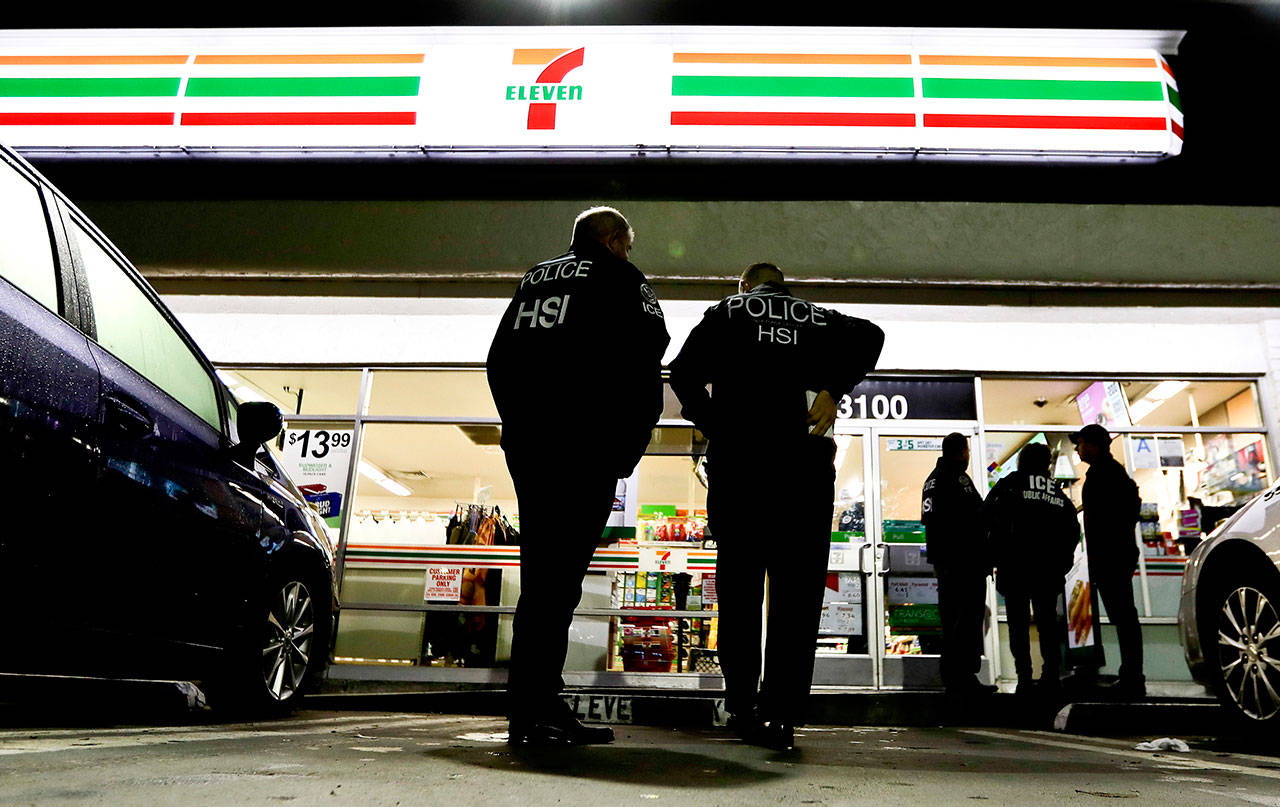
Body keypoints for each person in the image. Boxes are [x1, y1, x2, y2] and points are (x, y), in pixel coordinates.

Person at [669, 262, 884, 751]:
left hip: (741, 471)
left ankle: (743, 707)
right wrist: (835, 389)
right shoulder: (815, 316)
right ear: (785, 287)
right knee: (796, 597)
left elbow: (681, 373)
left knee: (740, 592)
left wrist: (712, 420)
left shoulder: (726, 312)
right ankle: (782, 715)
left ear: (745, 286)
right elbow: (872, 335)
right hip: (802, 473)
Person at [487, 207, 669, 745]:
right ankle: (536, 711)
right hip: (586, 449)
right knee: (557, 584)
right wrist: (625, 451)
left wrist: (520, 426)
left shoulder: (537, 279)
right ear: (613, 241)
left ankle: (534, 705)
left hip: (533, 448)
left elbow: (499, 360)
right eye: (628, 245)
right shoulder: (622, 279)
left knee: (543, 579)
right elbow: (645, 362)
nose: (630, 255)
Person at [984, 442, 1079, 697]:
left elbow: (987, 517)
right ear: (1046, 464)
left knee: (1018, 624)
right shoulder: (1056, 493)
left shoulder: (1009, 485)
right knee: (1048, 623)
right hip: (1047, 571)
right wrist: (1063, 560)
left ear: (1021, 462)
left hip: (1014, 568)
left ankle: (1024, 676)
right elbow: (1072, 529)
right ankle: (1051, 675)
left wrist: (994, 555)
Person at [1069, 423, 1145, 699]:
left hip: (1112, 556)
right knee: (1123, 615)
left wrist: (1108, 545)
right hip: (1111, 555)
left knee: (1124, 616)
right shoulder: (1108, 473)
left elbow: (1119, 515)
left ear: (1093, 445)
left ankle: (1133, 676)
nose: (1077, 449)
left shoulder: (1107, 474)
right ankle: (1131, 674)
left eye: (1080, 443)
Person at [921, 432, 996, 697]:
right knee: (965, 619)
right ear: (962, 451)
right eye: (967, 451)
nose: (968, 456)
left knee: (952, 618)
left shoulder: (932, 479)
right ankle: (963, 678)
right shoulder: (956, 478)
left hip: (946, 562)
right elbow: (974, 518)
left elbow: (932, 521)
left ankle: (955, 677)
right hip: (963, 562)